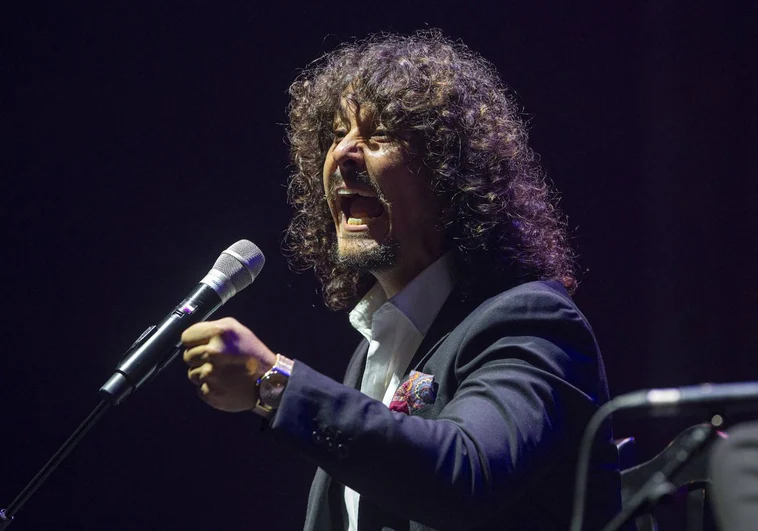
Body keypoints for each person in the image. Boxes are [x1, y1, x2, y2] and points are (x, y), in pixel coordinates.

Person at [181, 31, 621, 530]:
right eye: (335, 133)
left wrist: (276, 384)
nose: (343, 152)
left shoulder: (530, 321)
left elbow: (466, 473)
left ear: (450, 172)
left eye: (380, 134)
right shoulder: (377, 348)